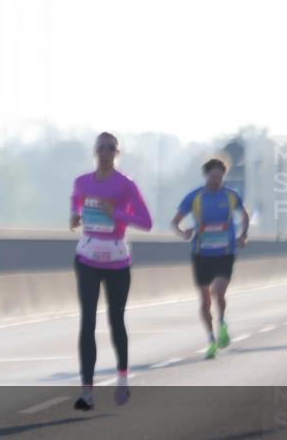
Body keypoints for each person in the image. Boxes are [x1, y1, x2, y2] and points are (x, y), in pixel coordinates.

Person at [69, 132, 153, 411]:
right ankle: (87, 392)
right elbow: (76, 202)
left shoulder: (126, 186)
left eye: (110, 148)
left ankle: (122, 378)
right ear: (95, 151)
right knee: (87, 321)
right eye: (101, 148)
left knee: (116, 320)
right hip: (87, 257)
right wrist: (74, 216)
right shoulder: (82, 182)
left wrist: (116, 213)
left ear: (118, 153)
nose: (105, 152)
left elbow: (146, 222)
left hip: (117, 260)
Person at [170, 158, 249, 359]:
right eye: (212, 176)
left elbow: (245, 215)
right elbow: (175, 222)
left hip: (225, 253)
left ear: (224, 176)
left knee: (218, 291)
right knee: (205, 301)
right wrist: (183, 233)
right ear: (206, 176)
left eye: (219, 176)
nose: (216, 180)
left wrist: (243, 234)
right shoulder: (195, 197)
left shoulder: (231, 196)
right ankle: (211, 340)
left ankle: (221, 322)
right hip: (201, 254)